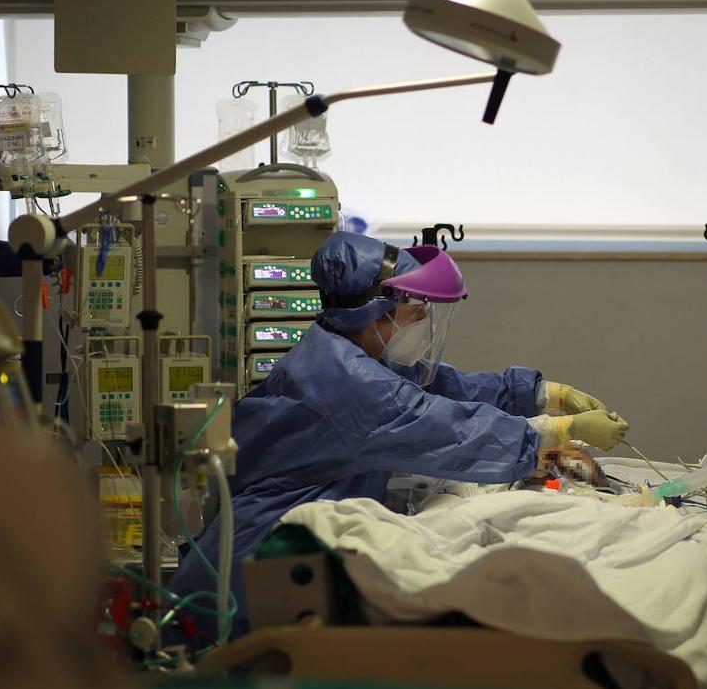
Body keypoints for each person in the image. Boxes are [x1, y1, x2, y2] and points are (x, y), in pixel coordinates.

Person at [168, 232, 628, 640]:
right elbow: (447, 428)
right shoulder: (351, 386)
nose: (421, 321)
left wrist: (545, 394)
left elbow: (445, 388)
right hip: (256, 564)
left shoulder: (344, 349)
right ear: (376, 312)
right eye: (414, 310)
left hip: (276, 551)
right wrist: (552, 435)